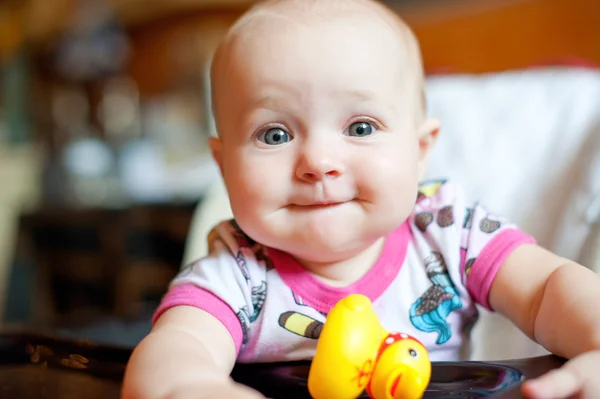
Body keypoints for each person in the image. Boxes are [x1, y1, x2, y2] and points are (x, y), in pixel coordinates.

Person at [122, 0, 600, 398]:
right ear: (224, 166)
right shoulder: (239, 274)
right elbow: (173, 355)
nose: (318, 161)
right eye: (274, 134)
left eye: (360, 128)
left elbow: (547, 288)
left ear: (419, 152)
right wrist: (189, 386)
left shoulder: (448, 235)